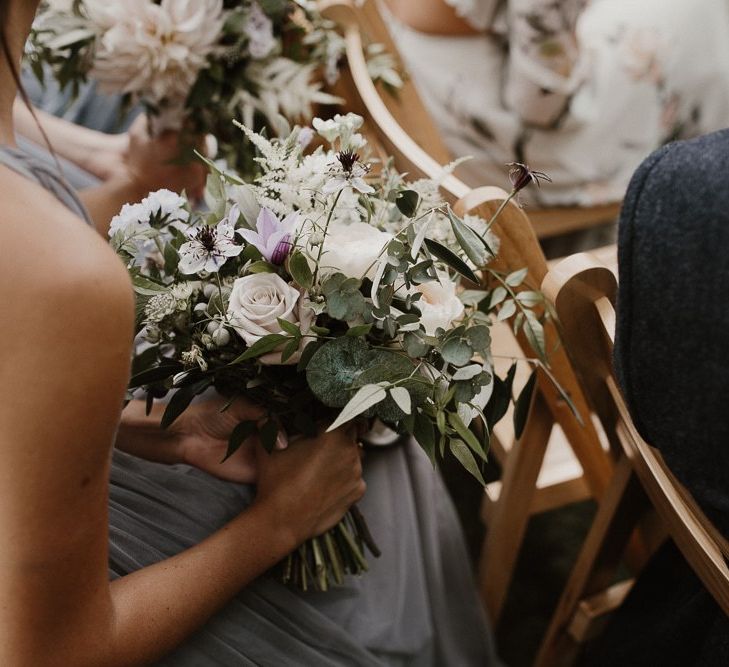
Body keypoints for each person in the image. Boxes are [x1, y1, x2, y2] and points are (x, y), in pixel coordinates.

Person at [0, 1, 500, 665]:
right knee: (379, 487)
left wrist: (159, 427)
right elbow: (50, 653)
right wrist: (277, 523)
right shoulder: (61, 276)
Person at [385, 0, 729, 207]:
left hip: (405, 85)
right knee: (700, 15)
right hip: (486, 151)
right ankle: (694, 206)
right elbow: (541, 104)